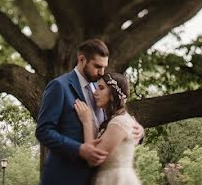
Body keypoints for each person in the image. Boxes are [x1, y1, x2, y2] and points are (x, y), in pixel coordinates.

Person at [35, 39, 143, 185]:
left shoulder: (102, 91)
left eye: (104, 67)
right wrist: (79, 149)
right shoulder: (59, 86)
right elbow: (43, 131)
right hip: (65, 178)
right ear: (82, 59)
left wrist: (139, 132)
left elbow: (115, 123)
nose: (102, 72)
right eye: (97, 66)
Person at [74, 72, 141, 185]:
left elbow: (92, 159)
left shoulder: (119, 122)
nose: (95, 93)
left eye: (101, 88)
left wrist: (87, 122)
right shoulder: (114, 120)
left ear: (113, 93)